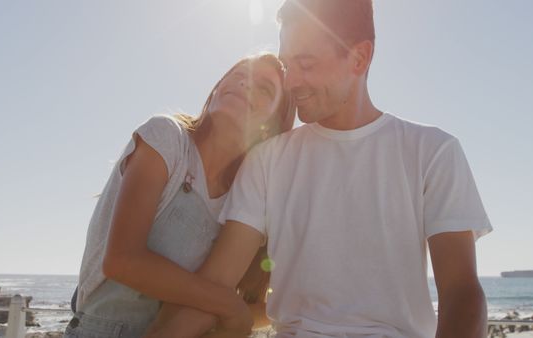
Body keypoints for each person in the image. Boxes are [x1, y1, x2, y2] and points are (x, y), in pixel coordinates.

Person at [149, 0, 493, 337]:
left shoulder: (433, 151)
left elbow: (462, 292)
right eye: (287, 66)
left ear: (359, 58)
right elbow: (215, 284)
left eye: (307, 64)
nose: (292, 82)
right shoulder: (268, 161)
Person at [64, 52, 294, 338]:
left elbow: (267, 307)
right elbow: (122, 260)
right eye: (239, 74)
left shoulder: (248, 196)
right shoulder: (167, 138)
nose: (245, 84)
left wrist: (234, 314)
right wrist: (228, 305)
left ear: (272, 124)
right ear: (218, 87)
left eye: (264, 88)